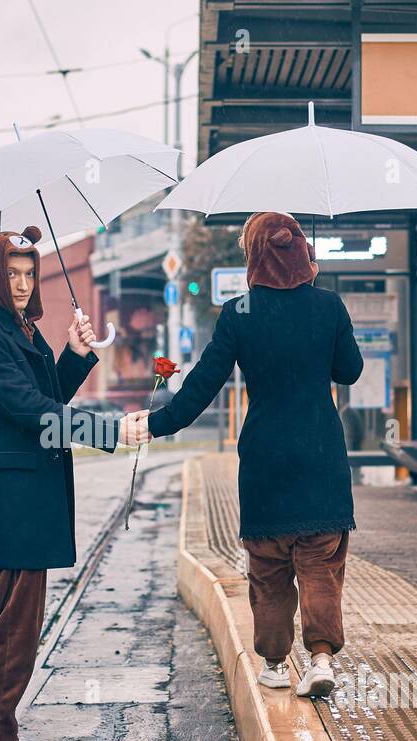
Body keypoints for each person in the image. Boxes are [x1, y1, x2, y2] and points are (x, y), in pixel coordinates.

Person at [0, 225, 148, 741]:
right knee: (9, 627)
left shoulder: (18, 327)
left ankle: (3, 731)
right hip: (5, 502)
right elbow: (32, 414)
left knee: (18, 623)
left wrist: (75, 354)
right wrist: (111, 432)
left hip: (23, 499)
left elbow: (47, 399)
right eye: (11, 273)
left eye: (28, 273)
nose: (21, 283)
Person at [143, 211, 362, 698]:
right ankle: (321, 658)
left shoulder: (239, 313)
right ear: (301, 252)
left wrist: (156, 423)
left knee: (269, 565)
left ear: (254, 257)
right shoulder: (329, 307)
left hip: (265, 460)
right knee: (321, 563)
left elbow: (201, 384)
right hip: (322, 457)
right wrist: (319, 298)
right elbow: (350, 371)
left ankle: (274, 662)